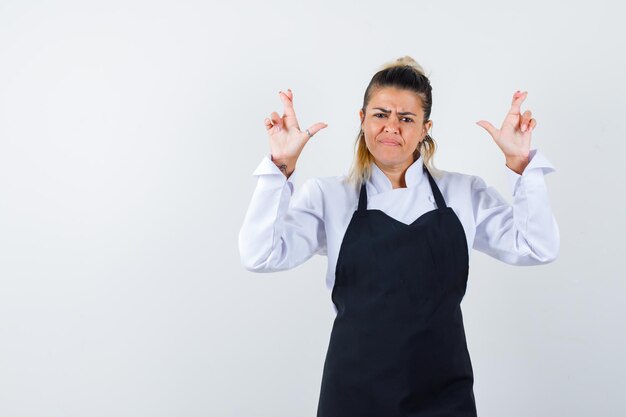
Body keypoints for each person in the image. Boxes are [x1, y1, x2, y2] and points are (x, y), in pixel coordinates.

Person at [238, 56, 559, 416]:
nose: (392, 127)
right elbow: (259, 255)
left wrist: (523, 167)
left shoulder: (462, 193)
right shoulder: (329, 196)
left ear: (425, 128)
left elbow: (538, 247)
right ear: (362, 120)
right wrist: (279, 168)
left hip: (444, 394)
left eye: (406, 118)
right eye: (380, 114)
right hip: (353, 395)